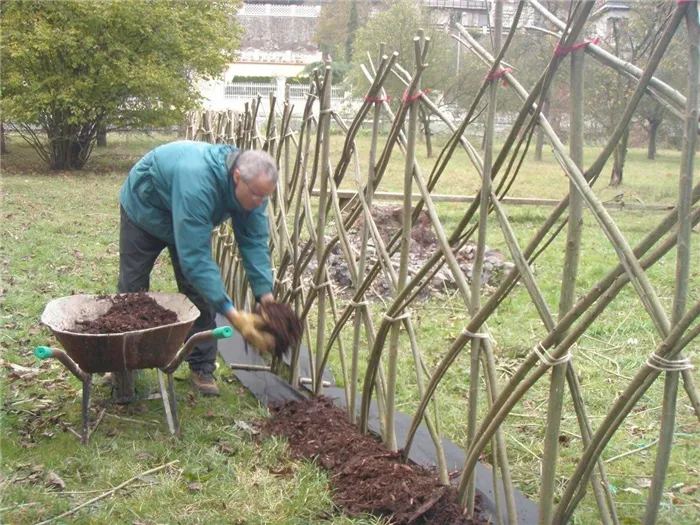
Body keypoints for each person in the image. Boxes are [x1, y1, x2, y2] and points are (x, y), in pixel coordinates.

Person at [118, 140, 278, 396]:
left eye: (265, 196)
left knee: (198, 293)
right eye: (257, 195)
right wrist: (232, 314)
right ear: (237, 177)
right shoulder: (198, 180)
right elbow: (196, 257)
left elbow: (254, 242)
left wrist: (266, 298)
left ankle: (202, 367)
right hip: (146, 208)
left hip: (187, 210)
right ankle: (124, 363)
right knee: (132, 289)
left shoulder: (254, 190)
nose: (260, 202)